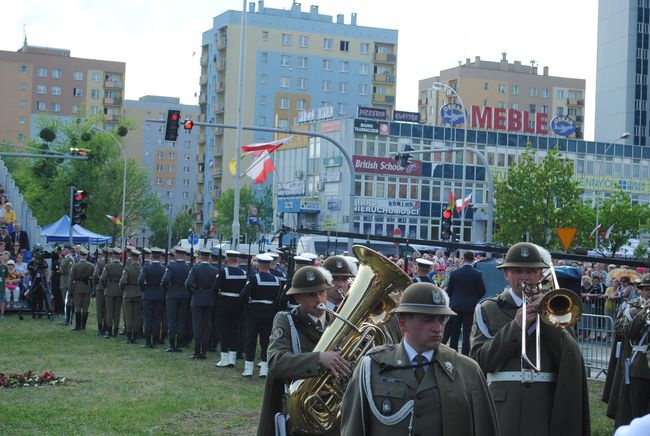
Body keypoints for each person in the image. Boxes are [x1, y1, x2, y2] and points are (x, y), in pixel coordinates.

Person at [341, 282, 499, 436]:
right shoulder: (372, 367)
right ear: (403, 323)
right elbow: (354, 428)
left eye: (441, 320)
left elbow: (486, 428)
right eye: (428, 320)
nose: (437, 327)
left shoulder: (467, 370)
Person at [470, 242, 590, 436]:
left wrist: (548, 320)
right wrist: (515, 328)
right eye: (517, 271)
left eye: (531, 271)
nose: (524, 277)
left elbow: (571, 358)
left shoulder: (558, 309)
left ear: (542, 274)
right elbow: (478, 361)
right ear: (506, 274)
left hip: (545, 406)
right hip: (502, 407)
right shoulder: (487, 309)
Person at [257, 266, 351, 436]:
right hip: (300, 413)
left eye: (322, 292)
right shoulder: (286, 320)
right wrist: (319, 359)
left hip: (335, 412)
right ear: (298, 297)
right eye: (311, 294)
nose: (319, 299)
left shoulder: (339, 322)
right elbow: (275, 362)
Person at [604, 274, 650, 429]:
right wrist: (644, 313)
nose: (649, 293)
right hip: (638, 365)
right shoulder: (631, 307)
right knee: (634, 409)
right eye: (647, 290)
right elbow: (626, 332)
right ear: (640, 291)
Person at [240, 253, 280, 377]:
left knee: (251, 339)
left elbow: (243, 294)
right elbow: (277, 298)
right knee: (265, 341)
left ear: (258, 265)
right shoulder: (276, 280)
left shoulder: (254, 278)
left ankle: (249, 368)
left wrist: (248, 305)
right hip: (269, 312)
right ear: (269, 265)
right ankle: (264, 368)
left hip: (254, 312)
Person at [445, 250, 486, 355]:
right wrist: (474, 299)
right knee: (467, 333)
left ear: (463, 259)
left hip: (455, 305)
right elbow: (482, 291)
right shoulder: (477, 274)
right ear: (473, 259)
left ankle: (453, 353)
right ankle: (464, 355)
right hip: (470, 306)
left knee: (455, 332)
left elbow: (449, 290)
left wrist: (453, 298)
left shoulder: (454, 273)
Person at [213, 250, 248, 367]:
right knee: (234, 330)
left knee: (223, 330)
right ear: (237, 259)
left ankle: (224, 358)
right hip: (237, 304)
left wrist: (218, 299)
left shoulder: (223, 272)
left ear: (227, 259)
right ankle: (232, 358)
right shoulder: (243, 273)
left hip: (224, 304)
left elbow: (215, 288)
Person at [185, 248, 218, 359]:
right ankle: (204, 351)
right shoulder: (214, 270)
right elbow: (216, 286)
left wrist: (194, 291)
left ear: (199, 257)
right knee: (206, 326)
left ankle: (197, 351)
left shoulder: (195, 269)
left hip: (197, 299)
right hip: (209, 299)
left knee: (197, 326)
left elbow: (188, 283)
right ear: (209, 257)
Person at [161, 246, 191, 352]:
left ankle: (171, 344)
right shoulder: (188, 267)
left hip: (172, 294)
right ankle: (178, 345)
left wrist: (167, 289)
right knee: (181, 320)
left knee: (172, 320)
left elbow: (164, 280)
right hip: (184, 295)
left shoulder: (171, 266)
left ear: (176, 254)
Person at [138, 247, 166, 348]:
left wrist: (144, 289)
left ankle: (147, 341)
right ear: (159, 257)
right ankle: (155, 340)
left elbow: (140, 281)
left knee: (148, 318)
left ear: (151, 256)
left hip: (148, 294)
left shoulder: (146, 268)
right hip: (159, 295)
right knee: (157, 319)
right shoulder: (163, 268)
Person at [100, 248, 125, 338]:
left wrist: (105, 286)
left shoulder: (108, 266)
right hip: (119, 290)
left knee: (109, 311)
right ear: (119, 256)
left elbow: (102, 278)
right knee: (117, 312)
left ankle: (109, 331)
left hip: (110, 289)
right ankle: (116, 332)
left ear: (113, 256)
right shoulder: (123, 266)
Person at [120, 249, 143, 344]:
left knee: (129, 316)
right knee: (137, 315)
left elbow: (122, 282)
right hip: (139, 293)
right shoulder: (142, 269)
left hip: (128, 294)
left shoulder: (127, 269)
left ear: (131, 258)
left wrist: (124, 289)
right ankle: (136, 335)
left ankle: (130, 336)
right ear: (138, 258)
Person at [69, 247, 94, 330]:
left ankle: (78, 326)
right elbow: (93, 279)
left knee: (78, 306)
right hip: (87, 288)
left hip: (77, 288)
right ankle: (83, 326)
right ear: (86, 256)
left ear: (80, 255)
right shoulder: (91, 266)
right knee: (86, 307)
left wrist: (70, 290)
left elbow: (71, 279)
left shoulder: (75, 266)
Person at [92, 248, 108, 336]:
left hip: (100, 288)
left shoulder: (100, 263)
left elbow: (95, 275)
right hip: (108, 288)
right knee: (106, 309)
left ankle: (100, 328)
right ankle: (106, 327)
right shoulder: (111, 263)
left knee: (99, 309)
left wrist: (95, 286)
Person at [59, 244, 75, 326]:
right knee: (65, 301)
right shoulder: (65, 258)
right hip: (63, 281)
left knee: (68, 302)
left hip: (67, 282)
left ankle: (68, 319)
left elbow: (71, 273)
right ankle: (67, 318)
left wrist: (70, 283)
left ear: (69, 250)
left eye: (64, 249)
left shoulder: (70, 259)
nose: (63, 250)